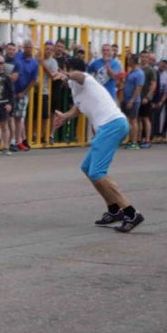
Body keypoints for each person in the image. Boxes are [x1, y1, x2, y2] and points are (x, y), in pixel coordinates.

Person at [51, 62, 144, 233]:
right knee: (87, 168)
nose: (58, 77)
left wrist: (68, 74)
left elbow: (80, 75)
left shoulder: (85, 79)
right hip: (107, 127)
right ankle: (114, 209)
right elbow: (78, 107)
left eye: (61, 72)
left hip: (112, 125)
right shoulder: (74, 88)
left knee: (97, 172)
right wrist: (65, 116)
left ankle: (131, 213)